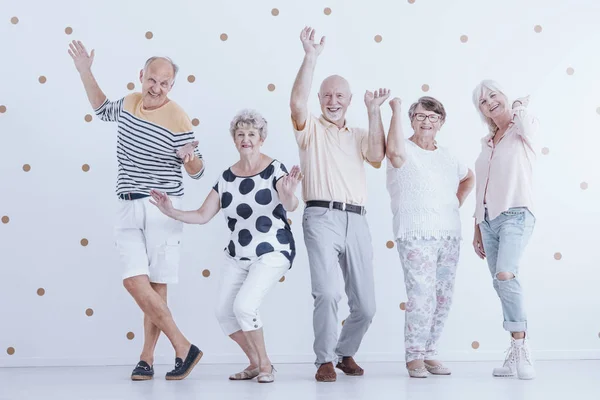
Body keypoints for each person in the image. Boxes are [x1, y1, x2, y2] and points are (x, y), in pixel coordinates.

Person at [68, 40, 204, 381]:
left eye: (164, 83)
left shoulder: (178, 117)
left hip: (162, 207)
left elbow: (198, 170)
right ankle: (184, 347)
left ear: (172, 86)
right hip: (127, 203)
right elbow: (100, 109)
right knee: (134, 280)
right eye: (152, 80)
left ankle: (146, 358)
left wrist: (189, 157)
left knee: (157, 286)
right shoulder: (129, 103)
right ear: (141, 76)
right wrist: (85, 71)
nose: (156, 88)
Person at [150, 109, 302, 384]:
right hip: (237, 255)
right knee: (224, 313)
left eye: (252, 134)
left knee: (244, 307)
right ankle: (255, 363)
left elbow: (290, 204)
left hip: (272, 251)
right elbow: (202, 215)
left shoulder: (274, 169)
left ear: (261, 139)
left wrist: (290, 194)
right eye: (240, 134)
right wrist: (171, 211)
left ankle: (266, 365)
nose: (246, 139)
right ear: (234, 140)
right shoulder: (226, 178)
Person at [289, 26, 386, 382]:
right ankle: (324, 359)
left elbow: (377, 154)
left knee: (366, 306)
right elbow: (296, 104)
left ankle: (345, 352)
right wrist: (310, 57)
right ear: (320, 98)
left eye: (339, 95)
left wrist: (374, 111)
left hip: (357, 220)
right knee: (328, 292)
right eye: (327, 95)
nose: (333, 101)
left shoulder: (360, 133)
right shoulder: (309, 128)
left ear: (348, 99)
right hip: (320, 216)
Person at [385, 96, 474, 378]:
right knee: (421, 296)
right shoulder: (403, 149)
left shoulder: (449, 156)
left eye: (433, 117)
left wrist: (455, 202)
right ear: (411, 120)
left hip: (448, 234)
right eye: (420, 116)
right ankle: (414, 356)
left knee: (442, 297)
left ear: (441, 122)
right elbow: (394, 153)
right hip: (415, 233)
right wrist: (396, 109)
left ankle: (430, 351)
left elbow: (468, 177)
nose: (427, 121)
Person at [472, 80, 539, 380]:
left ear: (505, 96)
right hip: (488, 220)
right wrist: (476, 225)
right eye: (483, 101)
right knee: (501, 285)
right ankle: (513, 354)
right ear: (482, 111)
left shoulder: (522, 129)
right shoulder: (487, 143)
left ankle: (522, 349)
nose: (489, 102)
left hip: (516, 213)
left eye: (493, 95)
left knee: (505, 274)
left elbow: (528, 126)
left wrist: (519, 107)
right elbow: (481, 189)